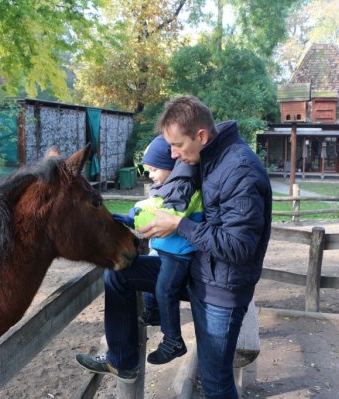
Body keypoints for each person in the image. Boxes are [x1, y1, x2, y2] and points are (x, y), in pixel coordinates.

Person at [76, 95, 272, 398]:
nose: (173, 154)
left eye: (177, 145)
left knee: (215, 381)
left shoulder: (240, 170)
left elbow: (238, 247)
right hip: (197, 271)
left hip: (222, 288)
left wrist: (178, 225)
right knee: (118, 274)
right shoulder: (206, 158)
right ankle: (123, 360)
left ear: (202, 136)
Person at [112, 135, 204, 365]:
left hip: (179, 255)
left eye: (154, 169)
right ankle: (153, 313)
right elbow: (154, 206)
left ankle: (173, 340)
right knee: (149, 285)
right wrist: (131, 218)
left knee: (165, 290)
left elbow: (167, 214)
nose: (150, 175)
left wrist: (134, 215)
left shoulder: (186, 188)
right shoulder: (169, 186)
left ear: (171, 166)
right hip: (166, 250)